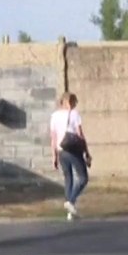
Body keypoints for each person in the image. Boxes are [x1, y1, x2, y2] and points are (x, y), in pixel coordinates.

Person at [50, 92, 91, 221]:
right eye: (75, 102)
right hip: (73, 150)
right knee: (83, 178)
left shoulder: (54, 116)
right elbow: (80, 135)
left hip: (61, 150)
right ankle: (71, 201)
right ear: (70, 102)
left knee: (68, 179)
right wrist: (87, 153)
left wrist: (54, 156)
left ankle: (70, 213)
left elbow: (53, 137)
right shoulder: (74, 114)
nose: (75, 105)